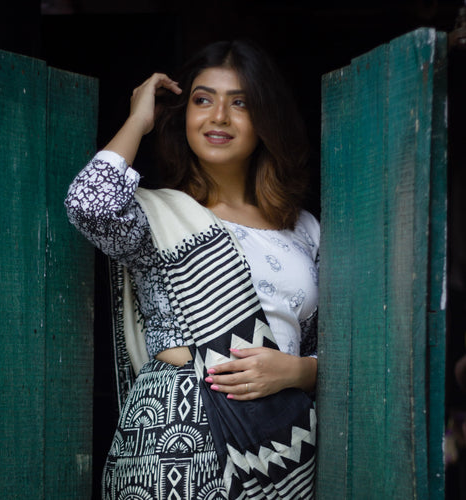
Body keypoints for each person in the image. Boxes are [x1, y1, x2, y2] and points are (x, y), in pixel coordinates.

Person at [65, 39, 319, 500]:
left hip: (282, 443)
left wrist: (298, 373)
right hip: (177, 435)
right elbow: (89, 204)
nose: (218, 116)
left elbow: (330, 350)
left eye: (240, 103)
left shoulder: (303, 229)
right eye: (203, 100)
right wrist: (139, 119)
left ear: (267, 118)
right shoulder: (155, 216)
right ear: (183, 115)